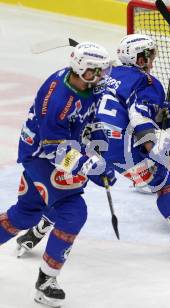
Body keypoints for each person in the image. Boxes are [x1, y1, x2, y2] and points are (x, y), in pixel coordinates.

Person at [16, 34, 170, 260]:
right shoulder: (148, 82)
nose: (152, 61)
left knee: (65, 194)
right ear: (139, 58)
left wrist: (161, 113)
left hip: (86, 142)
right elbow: (141, 121)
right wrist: (161, 150)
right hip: (120, 148)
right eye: (149, 55)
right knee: (164, 182)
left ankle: (36, 232)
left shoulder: (104, 74)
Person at [0, 42, 114, 307]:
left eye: (102, 71)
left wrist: (99, 152)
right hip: (42, 157)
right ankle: (46, 282)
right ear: (80, 69)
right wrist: (89, 165)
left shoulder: (86, 85)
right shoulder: (58, 99)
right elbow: (56, 151)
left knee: (25, 214)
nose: (100, 77)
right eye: (94, 72)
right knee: (73, 212)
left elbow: (91, 121)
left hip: (56, 153)